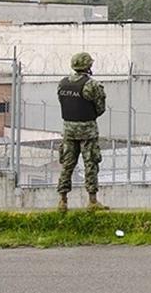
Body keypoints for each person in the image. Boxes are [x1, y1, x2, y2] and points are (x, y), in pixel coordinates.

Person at [56, 52, 108, 211]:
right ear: (88, 65)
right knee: (90, 163)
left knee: (67, 164)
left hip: (68, 130)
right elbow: (100, 108)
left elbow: (63, 103)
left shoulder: (63, 84)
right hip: (87, 130)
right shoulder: (92, 85)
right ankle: (92, 201)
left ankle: (62, 200)